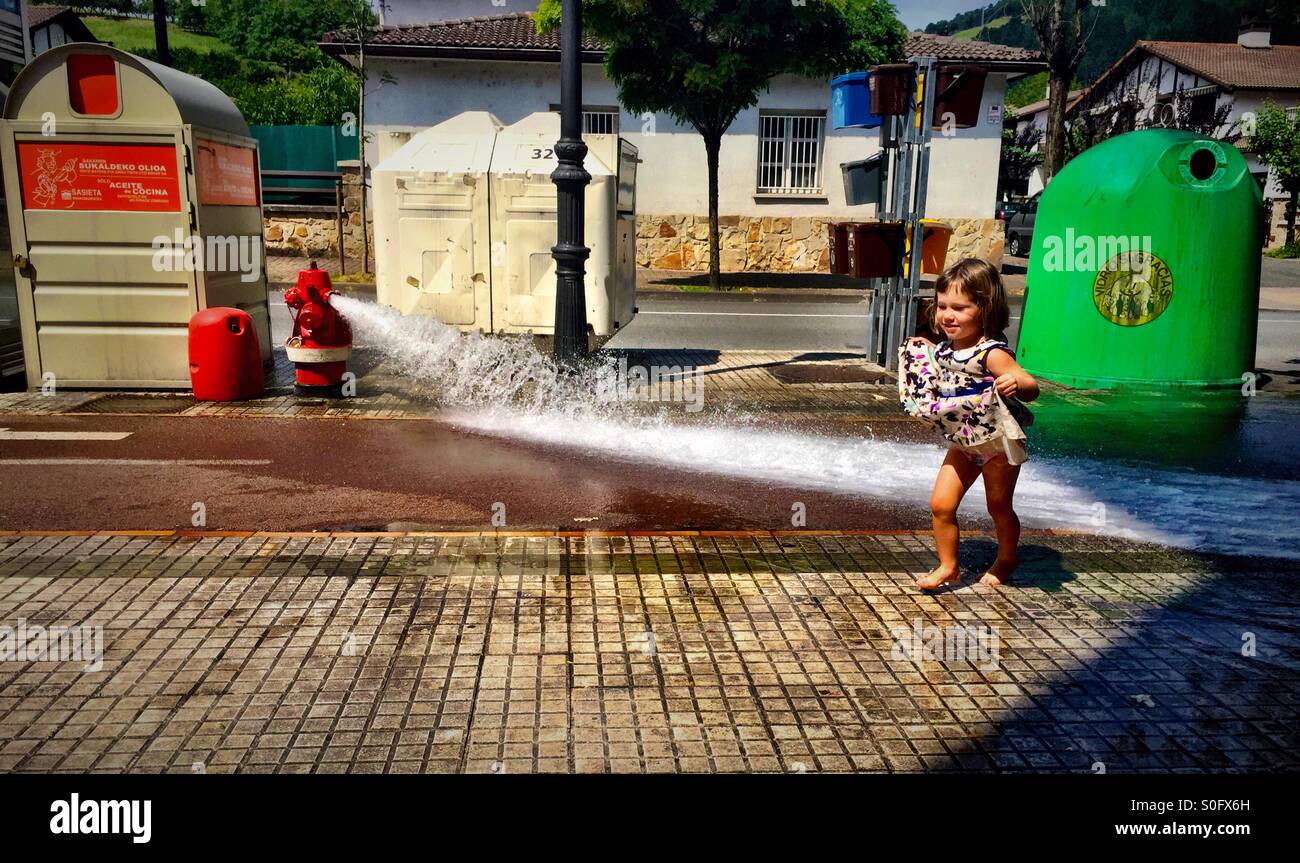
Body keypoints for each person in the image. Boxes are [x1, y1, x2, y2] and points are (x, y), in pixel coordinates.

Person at [900, 258, 1039, 590]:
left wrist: (1016, 383)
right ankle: (949, 566)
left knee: (998, 506)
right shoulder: (946, 350)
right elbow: (935, 368)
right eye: (942, 306)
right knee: (941, 505)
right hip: (964, 443)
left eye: (960, 308)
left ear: (985, 309)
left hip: (997, 443)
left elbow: (1030, 385)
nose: (948, 315)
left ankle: (1007, 559)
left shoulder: (990, 353)